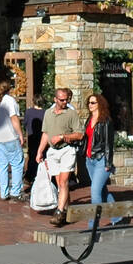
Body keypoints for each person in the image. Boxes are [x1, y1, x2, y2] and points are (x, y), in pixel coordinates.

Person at [38, 88, 83, 226]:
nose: (65, 102)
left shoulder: (71, 113)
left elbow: (80, 135)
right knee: (59, 185)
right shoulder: (48, 113)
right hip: (52, 152)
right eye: (62, 100)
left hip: (66, 150)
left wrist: (63, 137)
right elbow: (45, 134)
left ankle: (58, 212)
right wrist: (40, 151)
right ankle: (66, 211)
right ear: (55, 99)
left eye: (66, 99)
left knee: (63, 182)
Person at [0, 81, 27, 203]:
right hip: (10, 137)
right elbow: (14, 119)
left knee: (1, 165)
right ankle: (16, 192)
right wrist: (20, 134)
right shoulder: (10, 101)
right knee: (17, 164)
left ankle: (4, 192)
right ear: (9, 90)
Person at [83, 93, 120, 228]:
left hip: (101, 160)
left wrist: (108, 163)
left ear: (100, 104)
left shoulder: (106, 121)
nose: (90, 105)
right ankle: (117, 216)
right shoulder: (89, 119)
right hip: (90, 160)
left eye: (93, 103)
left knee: (95, 191)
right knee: (102, 190)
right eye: (89, 103)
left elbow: (109, 144)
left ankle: (93, 224)